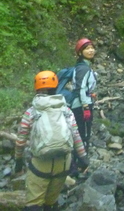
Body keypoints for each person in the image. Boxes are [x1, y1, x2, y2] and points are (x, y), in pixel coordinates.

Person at [14, 71, 89, 211]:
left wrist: (18, 161)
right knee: (51, 202)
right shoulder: (66, 110)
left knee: (34, 204)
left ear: (37, 88)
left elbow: (20, 141)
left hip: (41, 164)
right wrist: (83, 158)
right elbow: (76, 136)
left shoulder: (31, 112)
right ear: (56, 86)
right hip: (63, 163)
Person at [71, 38, 98, 150]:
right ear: (80, 52)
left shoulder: (83, 66)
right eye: (87, 49)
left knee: (82, 132)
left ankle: (80, 156)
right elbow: (80, 88)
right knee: (83, 132)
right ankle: (82, 160)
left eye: (92, 48)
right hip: (81, 105)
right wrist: (86, 106)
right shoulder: (83, 68)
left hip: (82, 103)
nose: (91, 50)